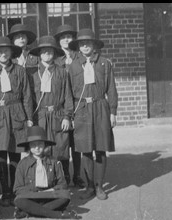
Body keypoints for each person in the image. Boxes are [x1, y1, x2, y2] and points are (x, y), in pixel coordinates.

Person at [0, 36, 33, 206]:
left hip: (16, 112)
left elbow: (26, 95)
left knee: (15, 153)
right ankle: (6, 191)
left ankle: (16, 189)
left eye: (6, 50)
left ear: (11, 52)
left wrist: (28, 118)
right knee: (0, 152)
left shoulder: (19, 70)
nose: (3, 54)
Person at [68, 29, 118, 200]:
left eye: (88, 43)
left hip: (100, 107)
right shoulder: (73, 65)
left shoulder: (104, 63)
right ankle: (89, 185)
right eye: (82, 44)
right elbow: (68, 93)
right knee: (85, 149)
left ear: (95, 45)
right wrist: (70, 115)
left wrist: (113, 112)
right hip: (81, 109)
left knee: (101, 148)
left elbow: (111, 89)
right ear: (78, 47)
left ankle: (99, 186)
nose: (85, 46)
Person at [27, 35, 74, 186]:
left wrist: (67, 116)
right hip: (40, 116)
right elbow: (28, 98)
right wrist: (30, 119)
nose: (47, 54)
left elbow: (68, 96)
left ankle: (64, 180)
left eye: (50, 51)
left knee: (60, 149)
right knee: (40, 148)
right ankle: (42, 180)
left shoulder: (62, 72)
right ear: (39, 54)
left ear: (54, 54)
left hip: (58, 115)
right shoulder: (32, 73)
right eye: (44, 51)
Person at [13, 126, 80, 220]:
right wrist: (34, 193)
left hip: (49, 196)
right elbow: (17, 188)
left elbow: (63, 184)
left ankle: (28, 211)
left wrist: (50, 190)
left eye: (40, 144)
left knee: (65, 196)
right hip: (31, 197)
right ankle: (57, 215)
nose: (37, 148)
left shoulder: (54, 161)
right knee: (19, 200)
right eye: (33, 144)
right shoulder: (22, 164)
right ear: (29, 146)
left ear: (45, 145)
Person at [53, 24, 85, 188]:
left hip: (78, 102)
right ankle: (65, 174)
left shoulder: (79, 57)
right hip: (64, 103)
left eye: (69, 37)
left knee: (77, 142)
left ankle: (77, 175)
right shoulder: (56, 59)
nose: (66, 40)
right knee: (63, 141)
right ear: (58, 41)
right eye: (62, 37)